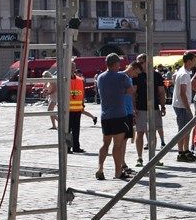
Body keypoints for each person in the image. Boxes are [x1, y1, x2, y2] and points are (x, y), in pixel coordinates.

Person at [95, 53, 134, 181]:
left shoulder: (100, 77)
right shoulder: (122, 76)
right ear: (115, 64)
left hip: (105, 115)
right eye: (119, 63)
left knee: (105, 144)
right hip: (119, 115)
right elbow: (130, 91)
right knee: (117, 145)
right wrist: (120, 91)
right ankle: (118, 172)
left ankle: (100, 168)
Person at [133, 54, 166, 167]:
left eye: (141, 62)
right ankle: (140, 158)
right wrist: (134, 108)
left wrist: (163, 106)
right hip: (140, 108)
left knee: (153, 132)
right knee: (140, 133)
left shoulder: (156, 75)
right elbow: (133, 93)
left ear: (147, 62)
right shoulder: (137, 75)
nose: (139, 64)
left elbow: (161, 92)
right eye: (138, 62)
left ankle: (153, 157)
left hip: (154, 108)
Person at [172, 53, 196, 162]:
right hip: (182, 105)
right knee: (183, 130)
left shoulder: (183, 72)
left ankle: (185, 151)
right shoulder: (184, 74)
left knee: (186, 129)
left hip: (180, 104)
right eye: (194, 61)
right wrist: (188, 108)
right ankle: (181, 153)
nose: (195, 63)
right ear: (188, 61)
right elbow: (182, 93)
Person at [68, 69, 86, 153]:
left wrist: (82, 105)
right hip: (68, 110)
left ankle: (75, 147)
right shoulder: (65, 80)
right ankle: (68, 147)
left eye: (73, 68)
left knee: (75, 130)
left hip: (77, 109)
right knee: (68, 130)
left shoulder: (79, 80)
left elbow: (82, 93)